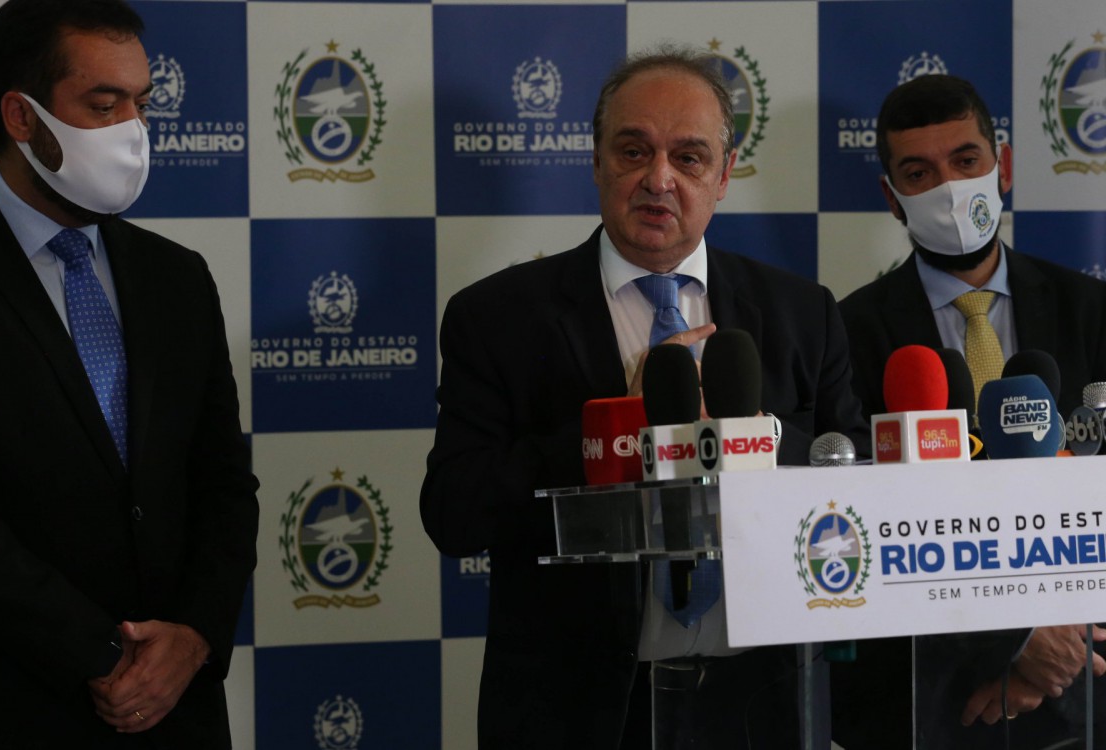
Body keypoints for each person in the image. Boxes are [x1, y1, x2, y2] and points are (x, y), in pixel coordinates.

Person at [420, 46, 867, 749]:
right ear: (596, 161)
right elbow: (455, 512)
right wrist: (615, 427)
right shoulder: (497, 317)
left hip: (764, 703)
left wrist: (762, 442)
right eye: (633, 151)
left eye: (688, 158)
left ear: (724, 175)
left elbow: (858, 496)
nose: (657, 178)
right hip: (579, 711)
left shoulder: (801, 314)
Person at [0, 0, 259, 747]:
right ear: (22, 117)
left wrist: (193, 638)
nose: (133, 129)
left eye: (143, 103)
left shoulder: (178, 277)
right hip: (0, 703)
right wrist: (105, 657)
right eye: (104, 104)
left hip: (176, 710)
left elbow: (224, 483)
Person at [833, 74, 1106, 749]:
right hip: (930, 696)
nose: (949, 189)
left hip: (1088, 674)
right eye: (919, 173)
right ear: (892, 199)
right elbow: (866, 523)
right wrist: (1008, 641)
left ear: (1002, 166)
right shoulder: (846, 333)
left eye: (965, 161)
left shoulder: (1091, 310)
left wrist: (1055, 653)